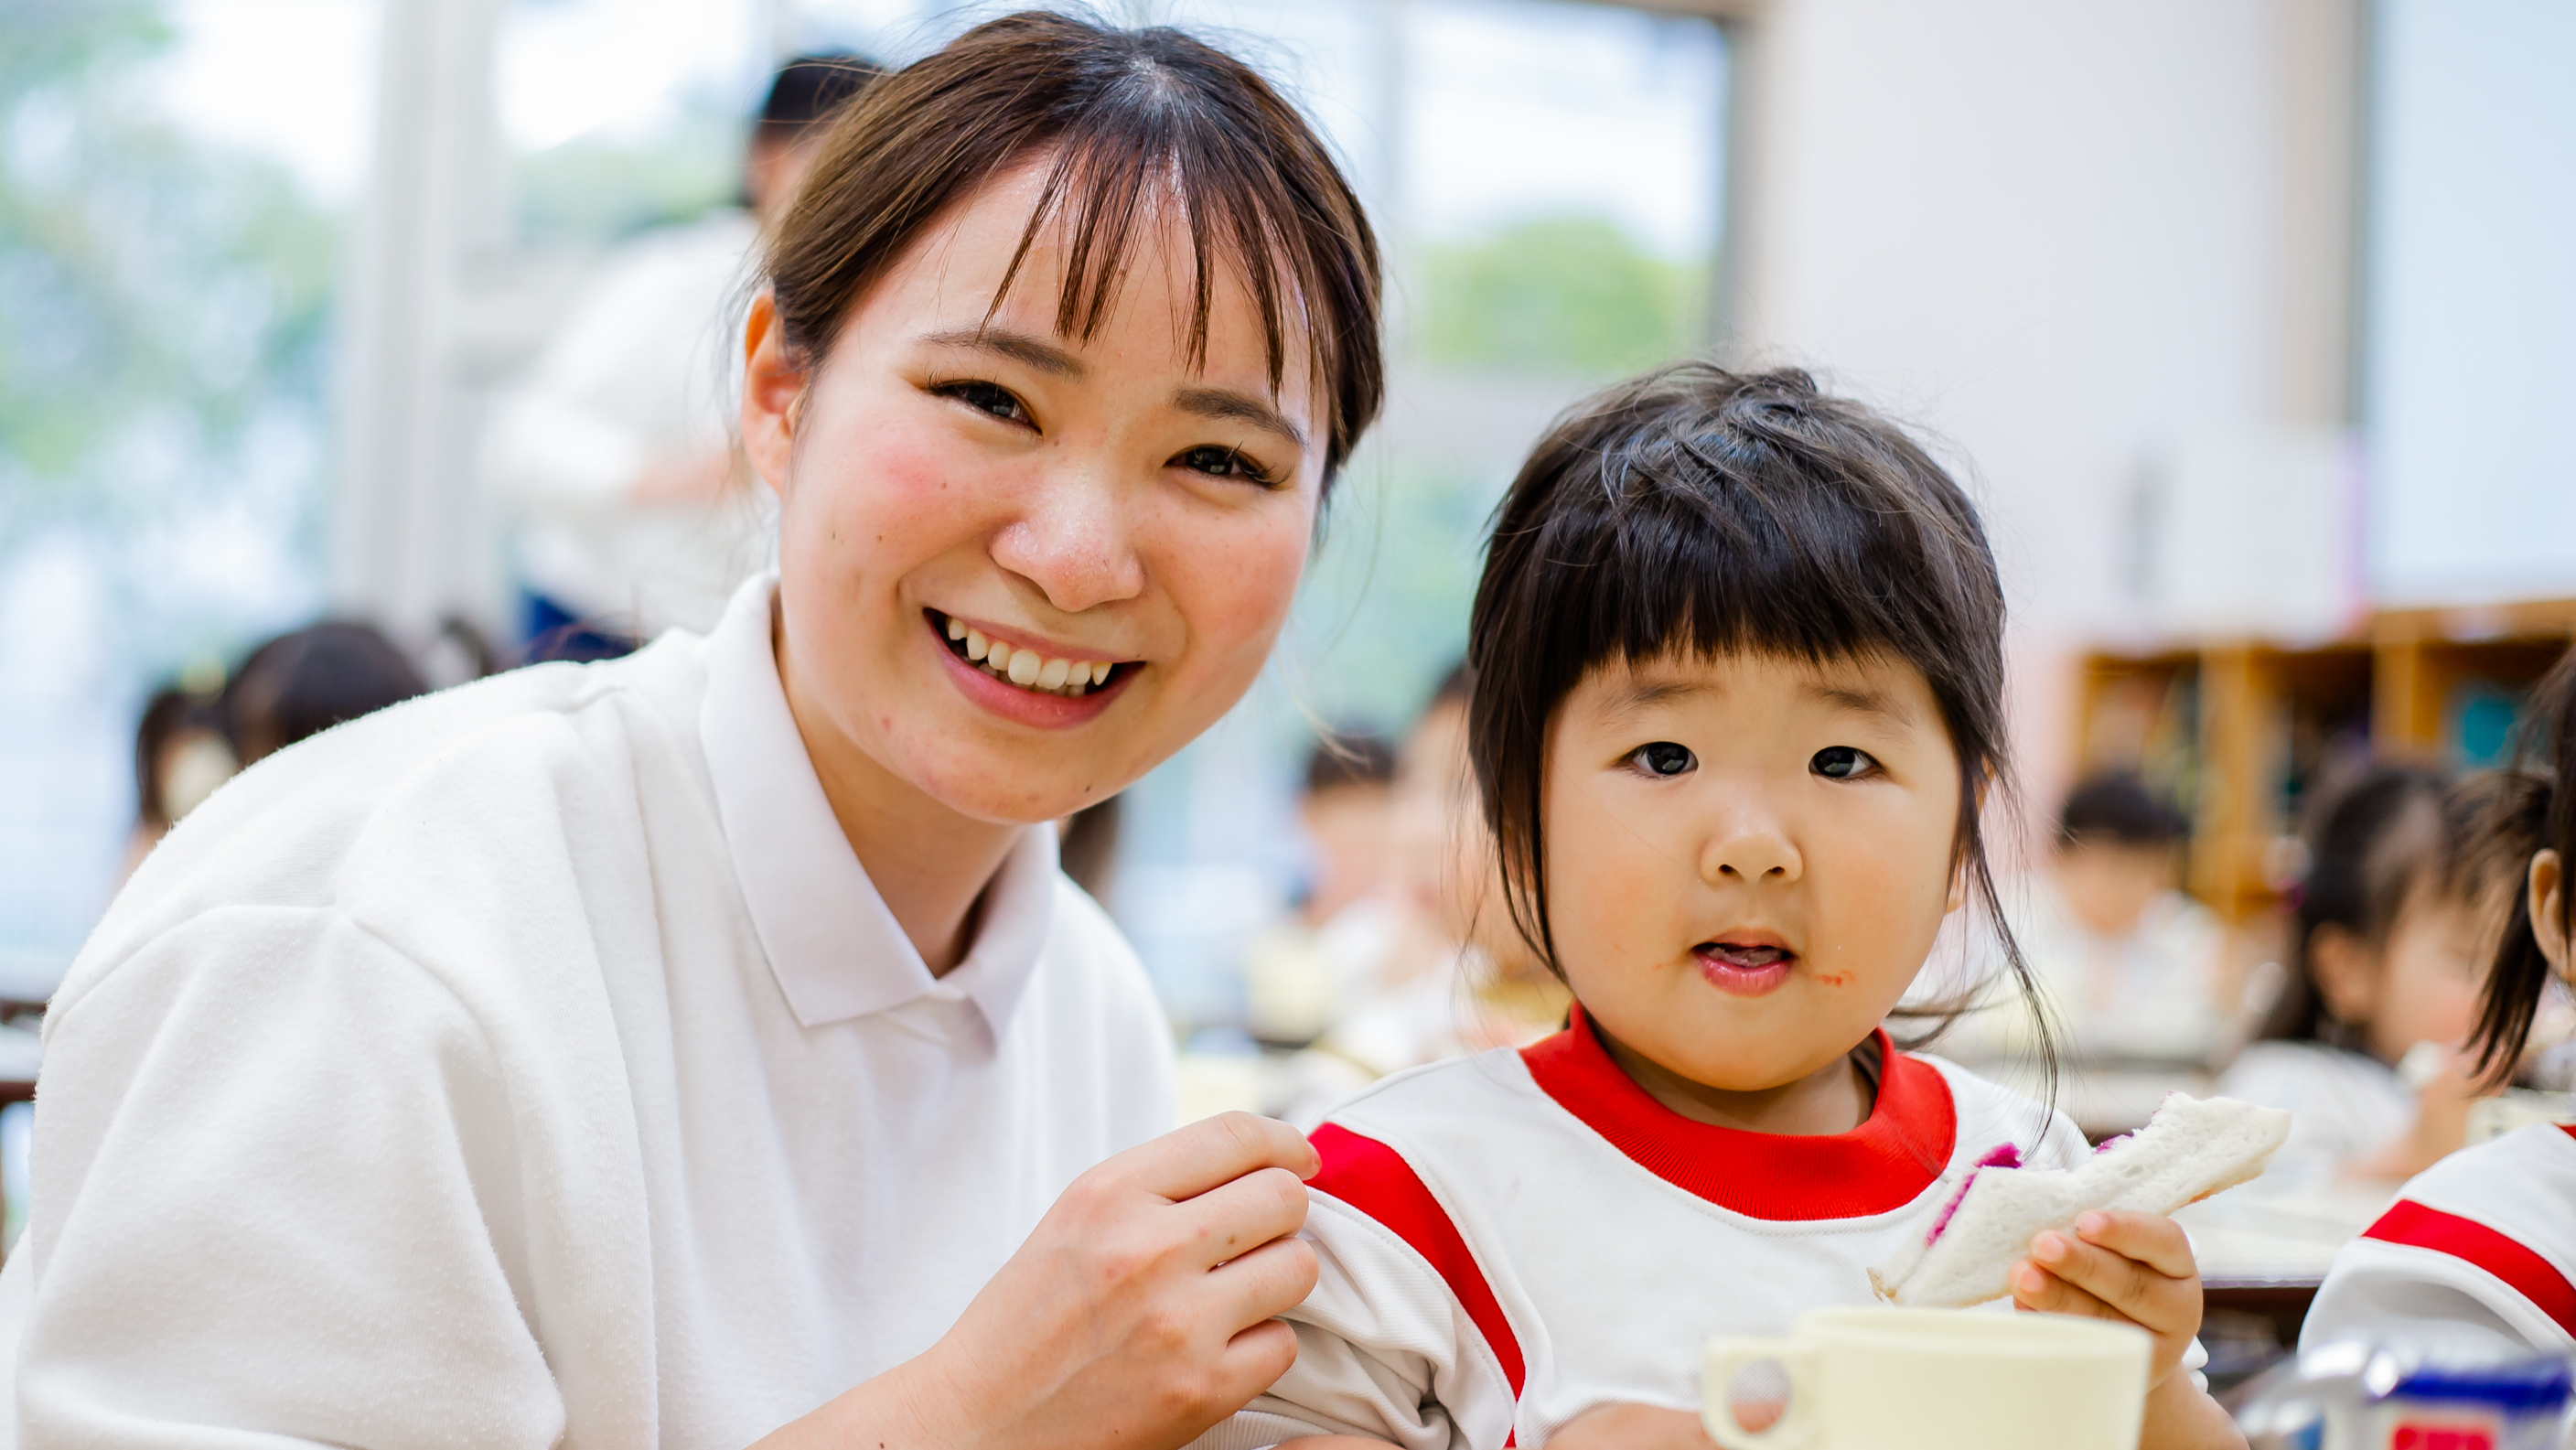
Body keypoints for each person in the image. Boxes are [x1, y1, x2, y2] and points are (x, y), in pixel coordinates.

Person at [1, 16, 1384, 1450]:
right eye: (992, 397)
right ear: (779, 395)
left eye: (1218, 458)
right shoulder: (369, 932)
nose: (1079, 556)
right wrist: (972, 1420)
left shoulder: (1084, 1004)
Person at [1196, 364, 2243, 1450]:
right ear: (1519, 809)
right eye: (1663, 753)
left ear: (1959, 833)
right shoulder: (1395, 1194)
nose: (1751, 846)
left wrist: (2151, 1389)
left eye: (1841, 759)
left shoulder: (2029, 1185)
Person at [483, 54, 881, 657]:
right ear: (767, 161)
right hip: (598, 627)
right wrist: (665, 478)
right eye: (842, 161)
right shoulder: (670, 278)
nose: (861, 193)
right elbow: (523, 441)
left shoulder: (864, 306)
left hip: (729, 650)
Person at [2301, 648, 2576, 1365]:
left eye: (2499, 960)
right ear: (2557, 919)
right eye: (2463, 961)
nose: (2493, 990)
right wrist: (2423, 1143)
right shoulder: (2458, 1274)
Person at [2216, 766, 2511, 1186]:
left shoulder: (2516, 1102)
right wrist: (2416, 1155)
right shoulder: (2290, 1084)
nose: (2510, 996)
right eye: (2468, 962)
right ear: (2349, 969)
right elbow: (2245, 1214)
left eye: (2522, 968)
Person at [2018, 772, 2227, 1060]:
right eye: (2107, 870)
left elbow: (2207, 1030)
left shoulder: (2187, 935)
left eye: (2135, 873)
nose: (2116, 891)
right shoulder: (2018, 920)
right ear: (2061, 860)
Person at [1242, 732, 1401, 1046]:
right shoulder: (1275, 934)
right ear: (1307, 812)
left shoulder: (1408, 930)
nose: (1362, 831)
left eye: (1376, 809)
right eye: (1345, 808)